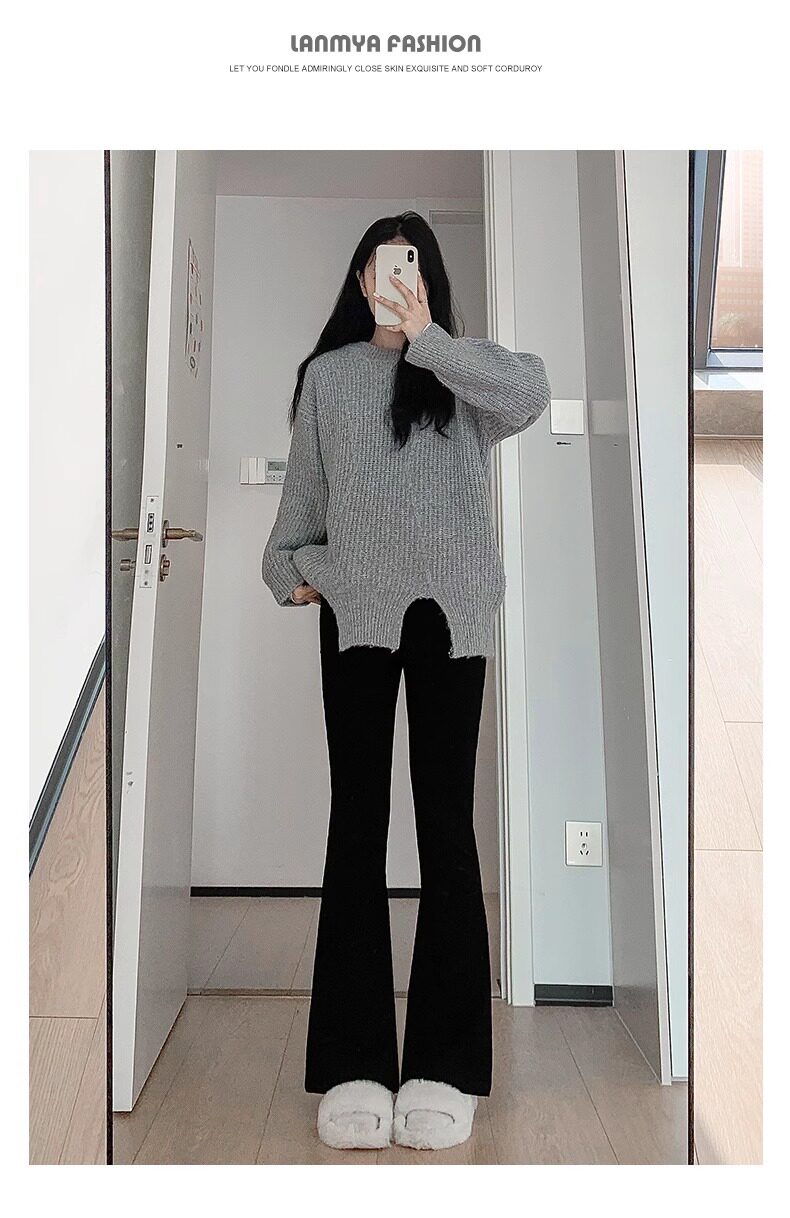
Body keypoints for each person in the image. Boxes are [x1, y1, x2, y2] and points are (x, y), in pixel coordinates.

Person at [262, 210, 551, 1151]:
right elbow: (294, 525)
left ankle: (444, 1065)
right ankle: (353, 1062)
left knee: (446, 829)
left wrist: (429, 338)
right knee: (357, 825)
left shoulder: (460, 372)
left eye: (408, 268)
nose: (391, 281)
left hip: (451, 619)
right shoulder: (328, 379)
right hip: (356, 617)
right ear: (359, 281)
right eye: (379, 269)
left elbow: (532, 392)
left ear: (426, 280)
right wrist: (291, 574)